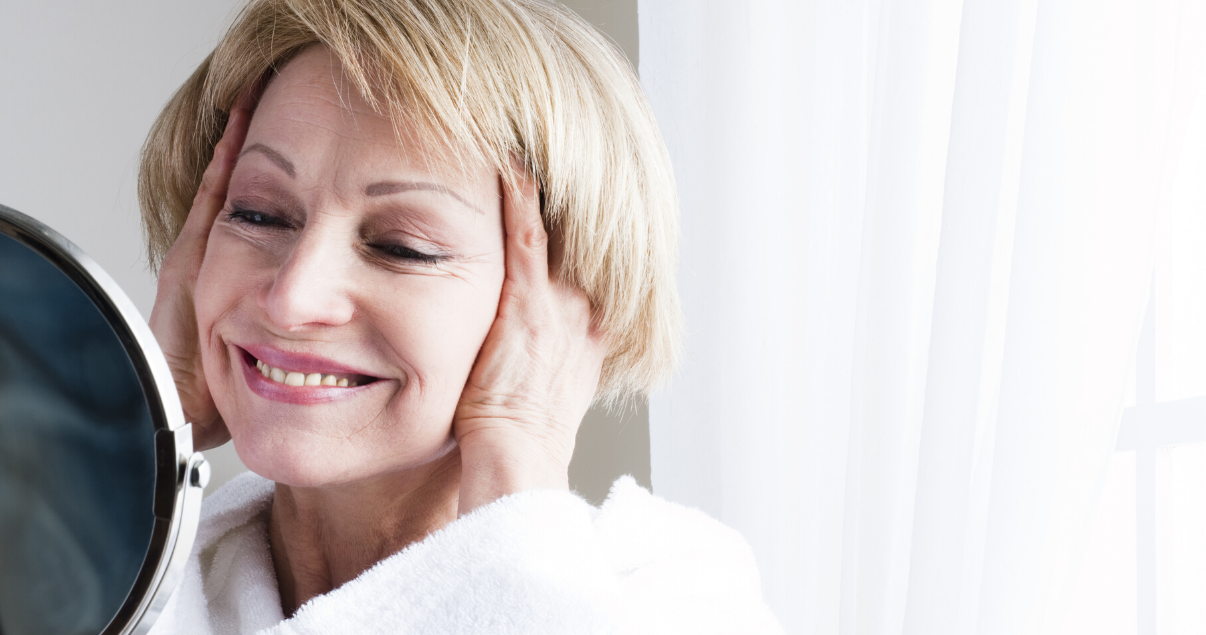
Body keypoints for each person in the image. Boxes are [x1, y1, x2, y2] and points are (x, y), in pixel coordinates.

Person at [140, 0, 781, 632]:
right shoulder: (117, 552)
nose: (292, 297)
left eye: (402, 248)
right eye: (258, 214)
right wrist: (134, 432)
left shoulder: (685, 600)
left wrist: (515, 476)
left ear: (564, 308)